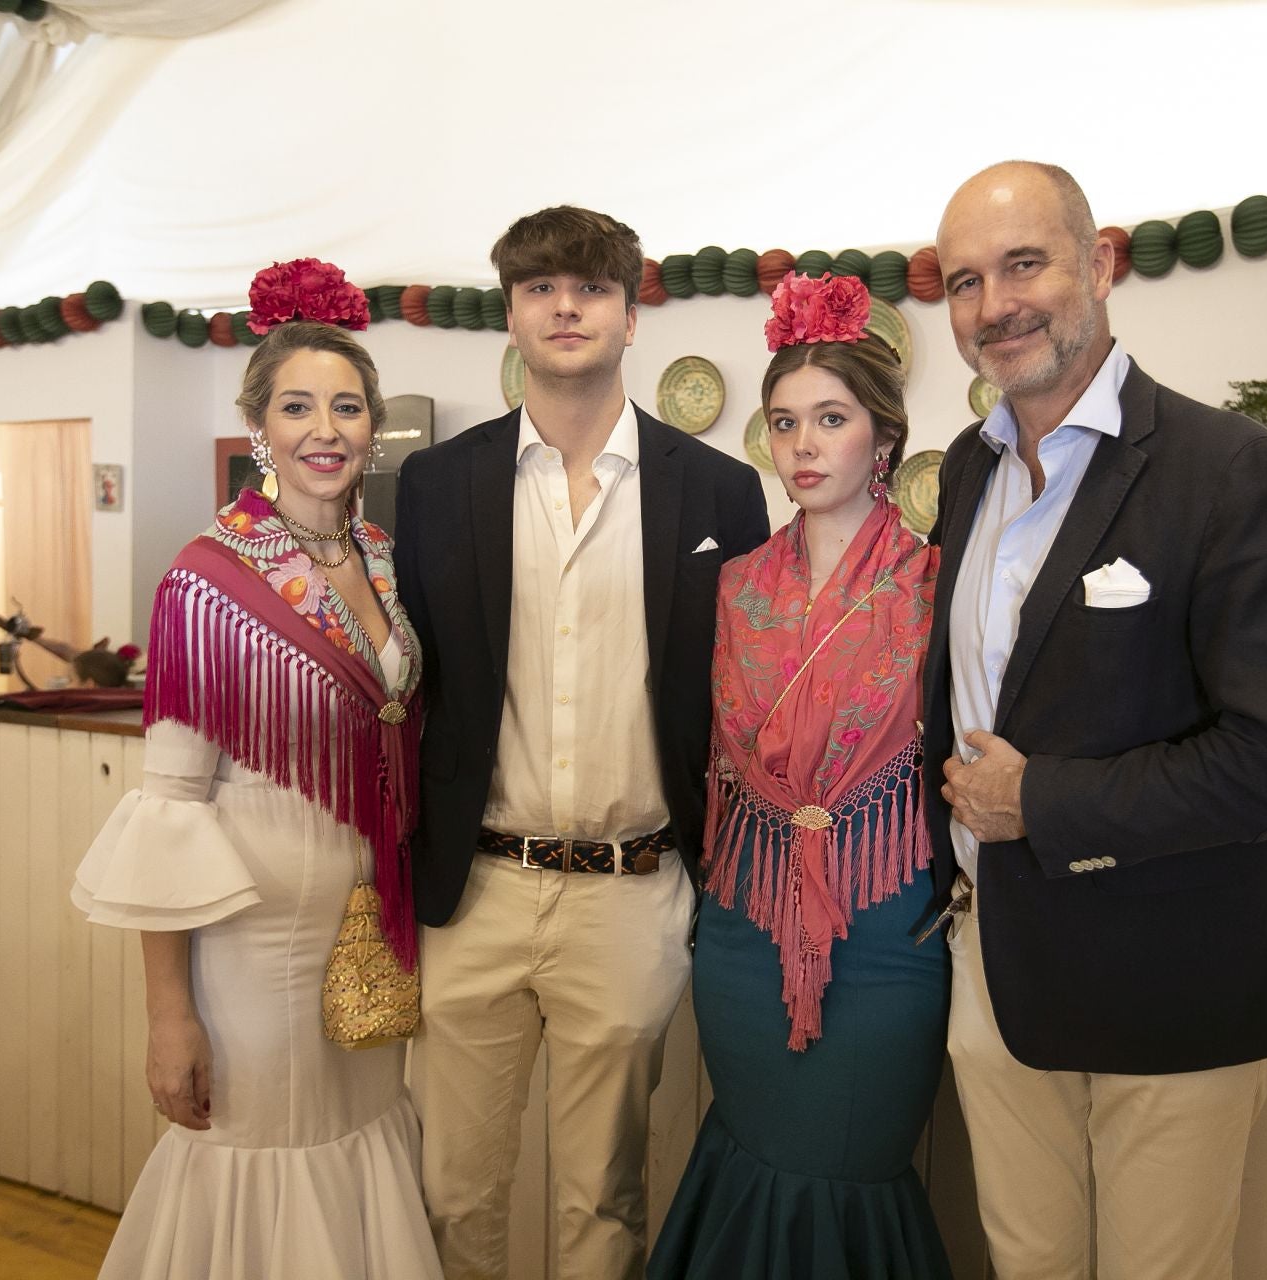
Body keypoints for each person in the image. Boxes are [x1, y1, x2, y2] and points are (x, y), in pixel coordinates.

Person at [924, 162, 1267, 1279]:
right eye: (967, 281)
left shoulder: (1227, 469)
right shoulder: (967, 476)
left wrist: (1044, 799)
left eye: (1026, 263)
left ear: (1100, 263)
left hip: (1168, 983)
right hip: (998, 974)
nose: (996, 304)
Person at [394, 205, 769, 1279]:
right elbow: (411, 682)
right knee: (451, 1190)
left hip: (632, 889)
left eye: (592, 287)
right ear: (510, 313)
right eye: (542, 288)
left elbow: (744, 694)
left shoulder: (720, 491)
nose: (567, 306)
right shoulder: (435, 484)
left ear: (630, 309)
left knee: (602, 1201)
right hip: (478, 888)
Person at [71, 259, 441, 1278]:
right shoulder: (206, 579)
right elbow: (170, 805)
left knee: (361, 1140)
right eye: (297, 406)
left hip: (369, 935)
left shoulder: (385, 557)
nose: (325, 427)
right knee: (267, 1157)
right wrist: (167, 1010)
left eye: (348, 405)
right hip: (250, 951)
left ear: (373, 424)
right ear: (259, 426)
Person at [649, 274, 951, 1279]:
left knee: (850, 1157)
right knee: (752, 1146)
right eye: (786, 423)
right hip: (742, 925)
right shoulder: (733, 586)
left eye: (832, 418)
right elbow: (700, 754)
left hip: (885, 926)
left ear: (885, 436)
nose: (806, 445)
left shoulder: (932, 585)